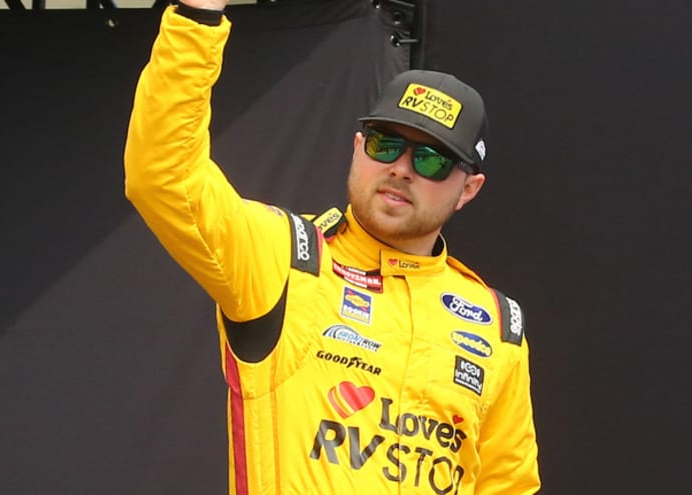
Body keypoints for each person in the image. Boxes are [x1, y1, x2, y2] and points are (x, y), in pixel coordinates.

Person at [124, 1, 540, 493]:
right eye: (386, 144)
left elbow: (509, 486)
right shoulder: (285, 258)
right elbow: (164, 178)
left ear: (468, 189)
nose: (401, 169)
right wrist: (198, 17)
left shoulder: (496, 325)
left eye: (431, 160)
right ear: (358, 147)